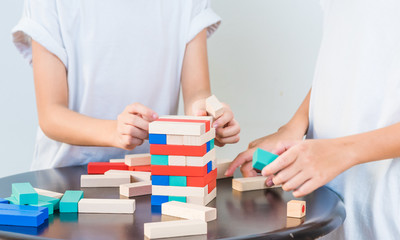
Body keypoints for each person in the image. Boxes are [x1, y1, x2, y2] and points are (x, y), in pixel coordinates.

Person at [225, 0, 400, 239]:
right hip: (333, 206)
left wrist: (343, 151)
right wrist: (295, 126)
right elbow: (349, 56)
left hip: (388, 211)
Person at [12, 0, 240, 170]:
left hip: (152, 176)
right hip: (65, 178)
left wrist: (209, 118)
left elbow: (198, 94)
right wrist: (114, 131)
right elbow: (51, 115)